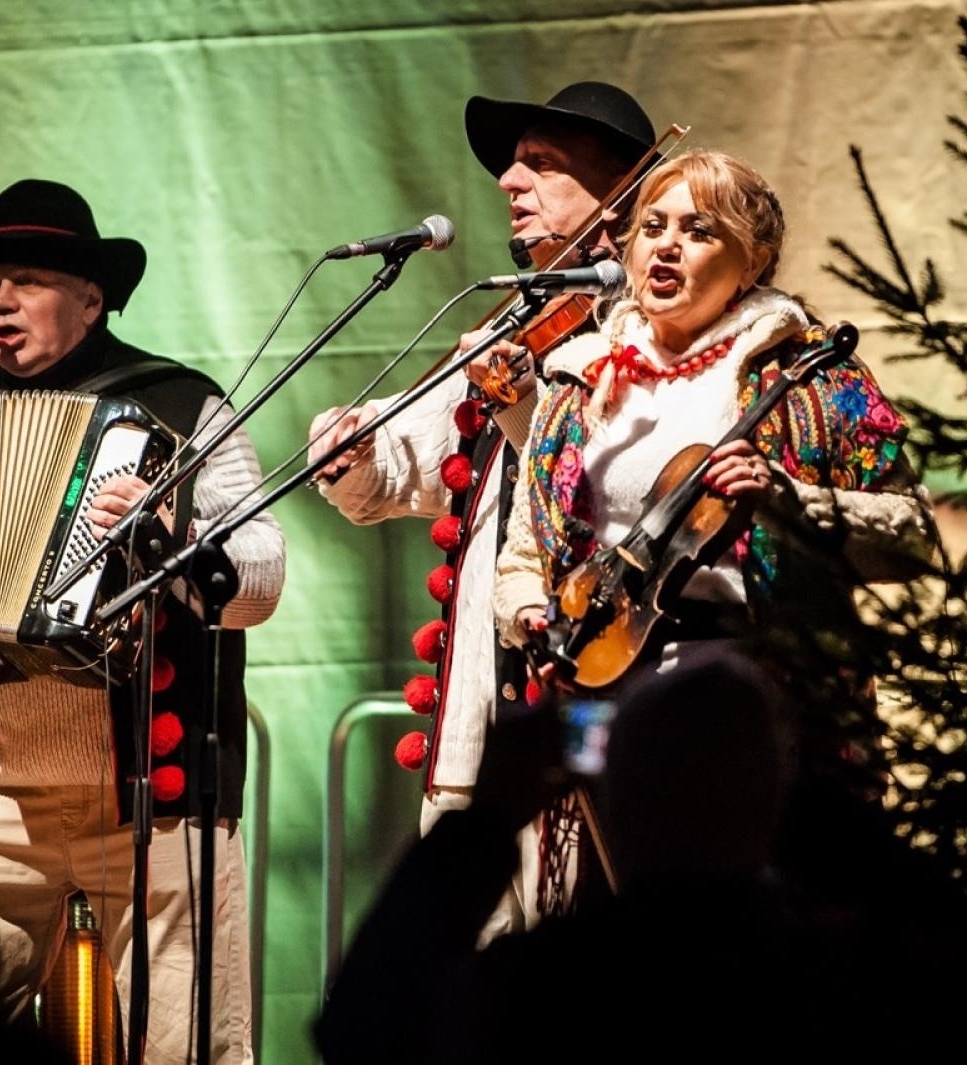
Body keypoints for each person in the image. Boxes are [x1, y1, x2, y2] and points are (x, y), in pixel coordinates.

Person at [0, 179, 284, 1063]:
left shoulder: (183, 404)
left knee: (185, 1048)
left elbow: (260, 584)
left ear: (91, 298)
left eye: (27, 280)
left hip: (150, 798)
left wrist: (173, 536)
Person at [306, 82, 660, 938]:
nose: (509, 179)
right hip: (483, 730)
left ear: (618, 198)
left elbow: (610, 491)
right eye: (513, 163)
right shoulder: (526, 317)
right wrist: (355, 451)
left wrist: (518, 403)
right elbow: (406, 463)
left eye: (542, 164)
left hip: (594, 720)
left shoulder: (654, 334)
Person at [313, 643, 967, 1065]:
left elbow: (363, 1028)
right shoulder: (843, 976)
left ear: (616, 802)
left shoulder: (558, 985)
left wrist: (490, 818)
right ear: (776, 802)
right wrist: (815, 806)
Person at [493, 148, 937, 698]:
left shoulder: (810, 374)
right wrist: (531, 613)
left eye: (699, 231)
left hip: (764, 687)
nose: (666, 245)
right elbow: (524, 557)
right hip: (600, 686)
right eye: (652, 227)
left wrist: (788, 499)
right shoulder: (578, 377)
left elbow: (912, 534)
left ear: (752, 264)